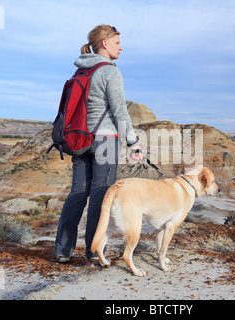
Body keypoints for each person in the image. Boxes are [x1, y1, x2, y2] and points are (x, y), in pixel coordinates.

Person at [54, 25, 143, 262]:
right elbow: (120, 112)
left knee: (77, 194)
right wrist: (133, 143)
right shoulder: (110, 72)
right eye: (117, 42)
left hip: (80, 139)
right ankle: (93, 252)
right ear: (104, 43)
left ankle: (62, 251)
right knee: (101, 197)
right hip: (105, 141)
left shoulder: (80, 71)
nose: (120, 47)